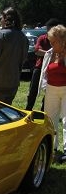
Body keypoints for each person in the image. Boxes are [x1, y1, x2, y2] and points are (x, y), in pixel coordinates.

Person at [37, 24, 66, 163]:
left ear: (62, 40)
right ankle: (52, 148)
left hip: (65, 89)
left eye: (54, 41)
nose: (51, 44)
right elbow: (45, 73)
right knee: (51, 119)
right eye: (50, 41)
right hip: (51, 90)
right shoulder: (49, 53)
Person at [25, 18, 60, 110]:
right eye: (47, 29)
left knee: (49, 91)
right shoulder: (42, 38)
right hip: (39, 67)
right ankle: (28, 108)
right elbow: (37, 51)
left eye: (50, 29)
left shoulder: (60, 41)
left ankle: (43, 110)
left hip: (53, 69)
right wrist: (51, 53)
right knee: (33, 89)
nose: (48, 31)